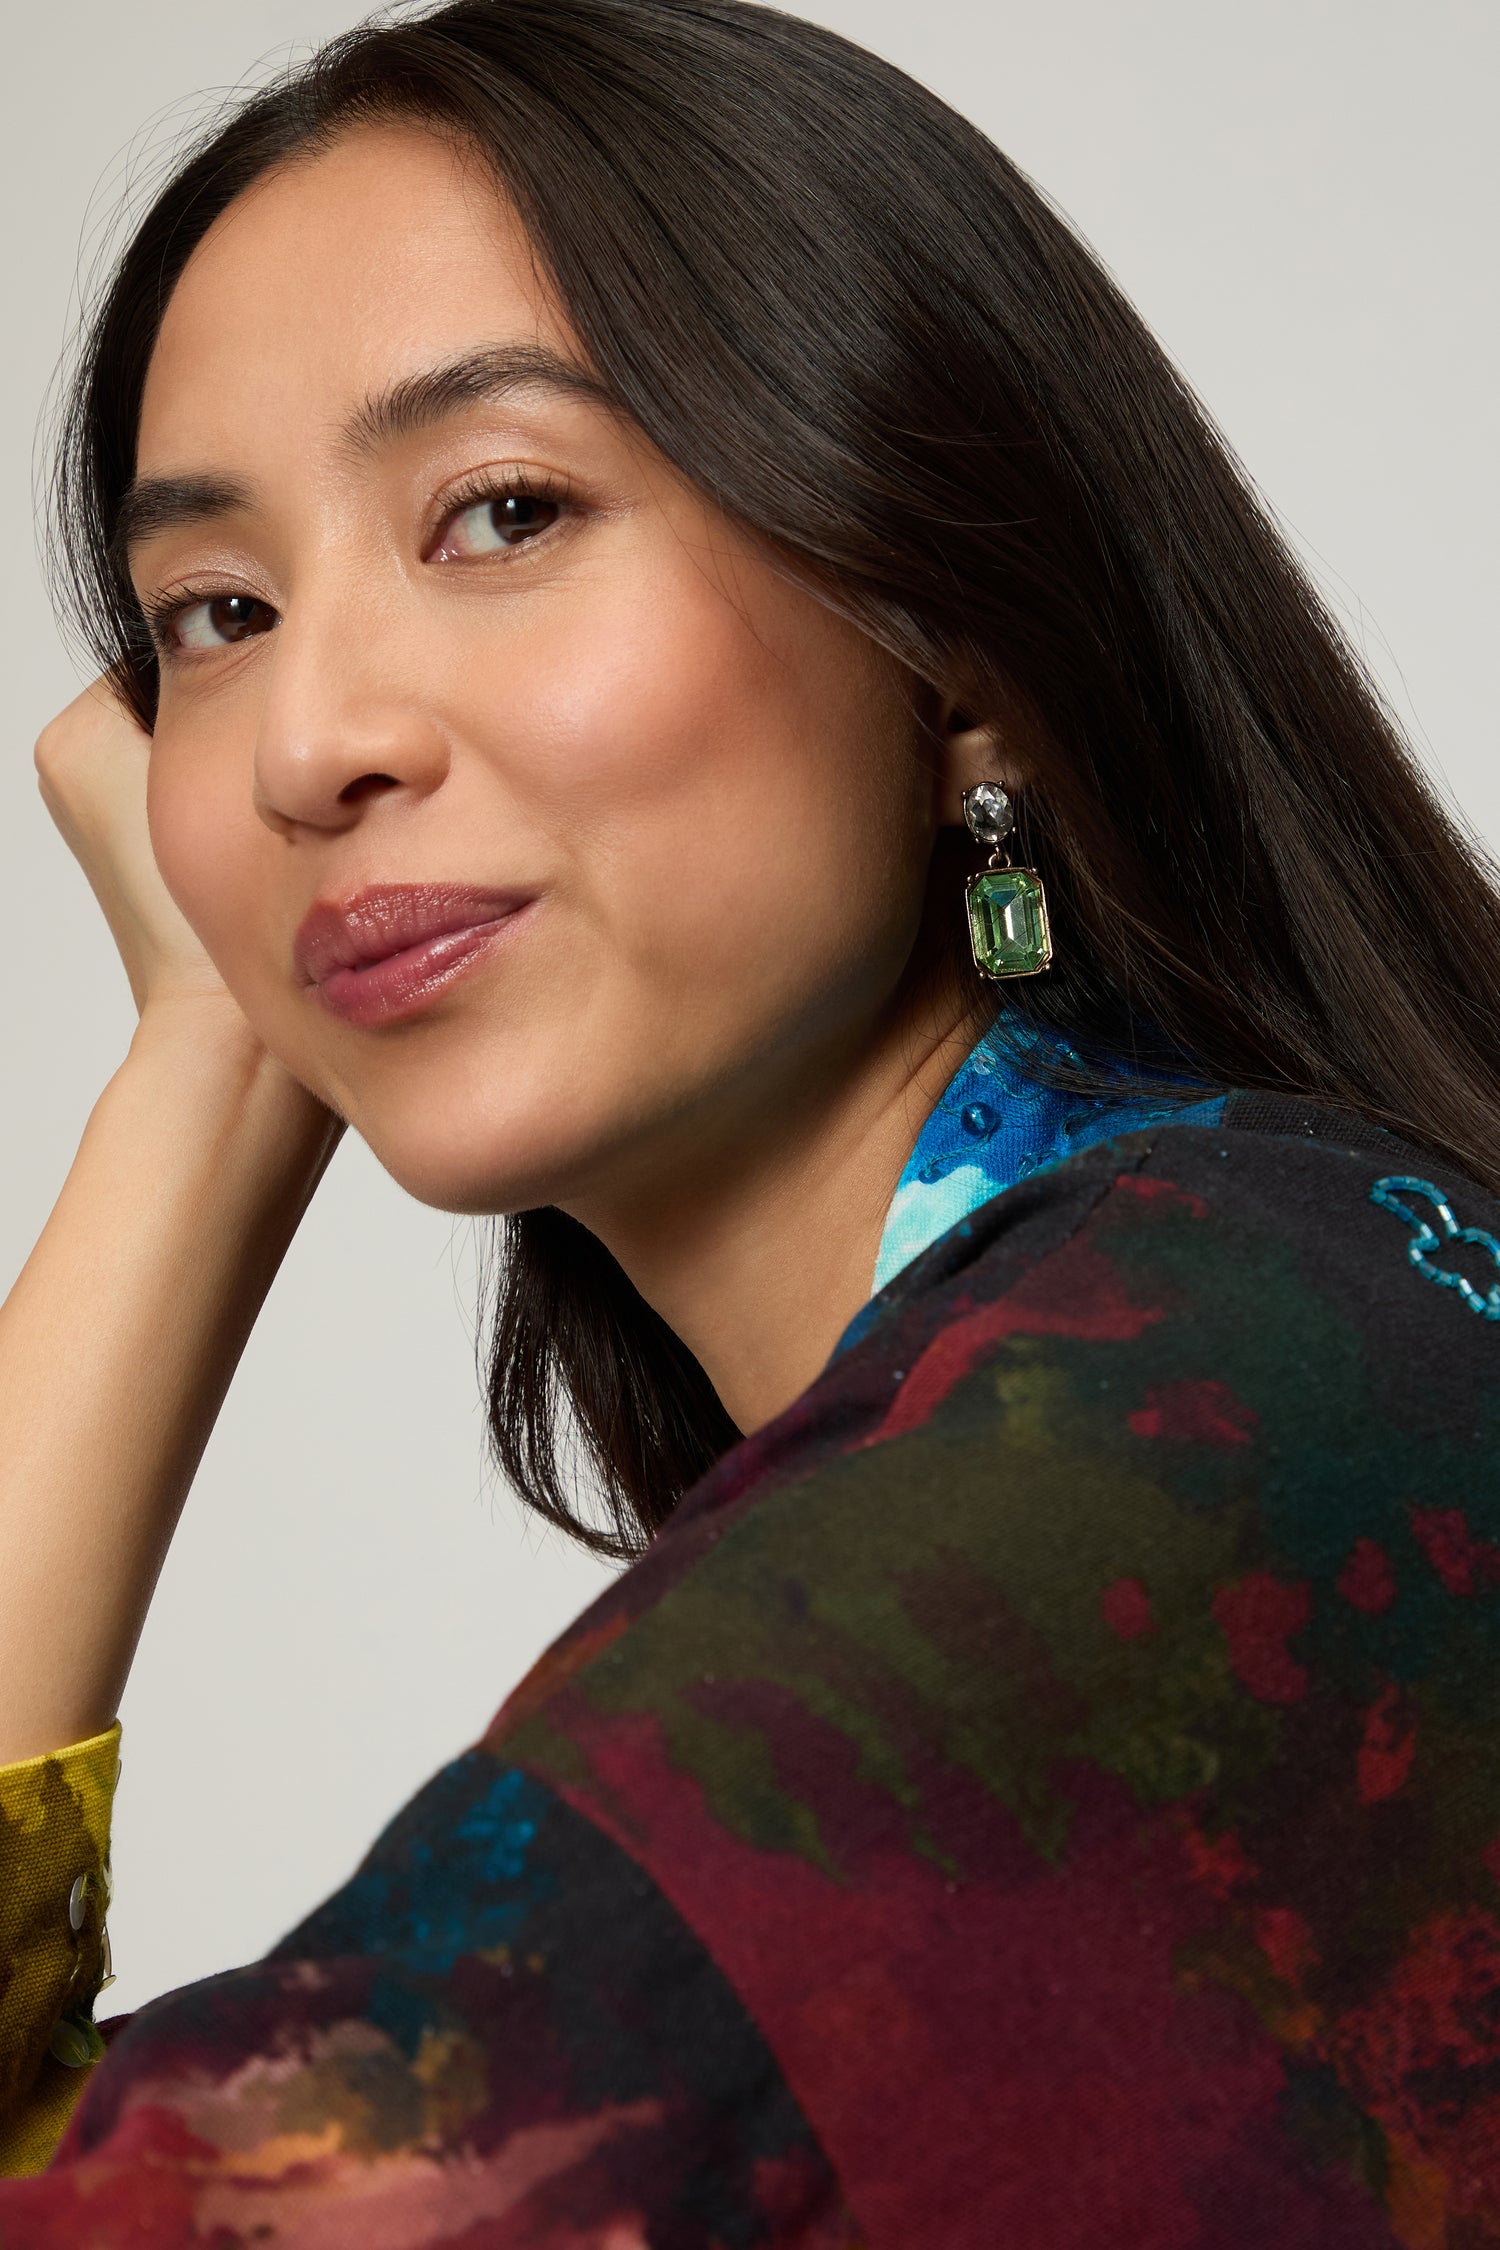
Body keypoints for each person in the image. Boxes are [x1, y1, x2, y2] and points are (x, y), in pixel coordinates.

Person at [2, 0, 1498, 2240]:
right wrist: (203, 1068)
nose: (307, 736)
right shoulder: (1191, 1331)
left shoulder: (1219, 1397)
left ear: (952, 637)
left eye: (503, 510)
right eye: (215, 612)